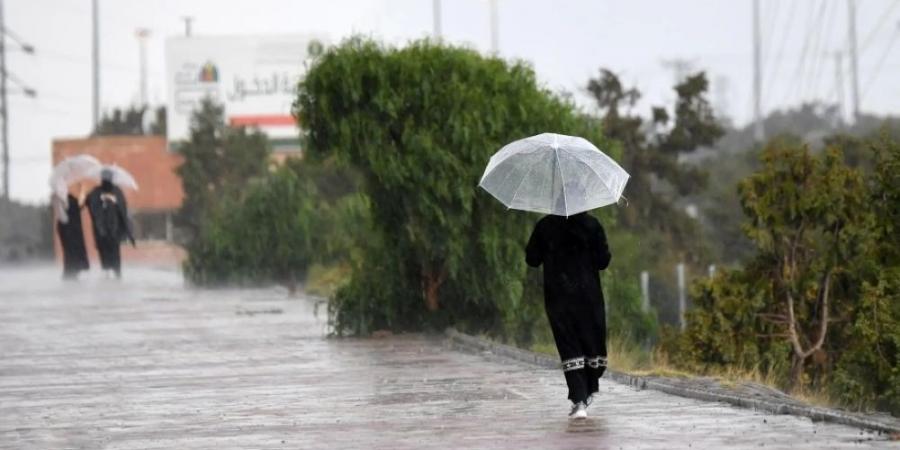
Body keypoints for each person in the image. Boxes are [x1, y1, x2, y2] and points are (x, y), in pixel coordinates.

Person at [525, 211, 611, 420]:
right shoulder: (592, 225)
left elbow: (532, 259)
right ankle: (587, 391)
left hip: (558, 296)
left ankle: (580, 399)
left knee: (569, 345)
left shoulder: (545, 226)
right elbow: (603, 261)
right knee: (590, 343)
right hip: (588, 296)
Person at [86, 169, 135, 278]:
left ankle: (117, 274)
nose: (107, 180)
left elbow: (123, 207)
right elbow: (90, 204)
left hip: (114, 230)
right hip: (101, 230)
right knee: (104, 255)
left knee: (115, 254)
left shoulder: (117, 191)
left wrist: (114, 201)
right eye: (105, 178)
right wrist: (101, 200)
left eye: (108, 178)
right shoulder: (96, 192)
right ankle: (107, 274)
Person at [53, 192, 90, 279]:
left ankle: (73, 271)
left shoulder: (72, 198)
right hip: (68, 228)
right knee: (70, 251)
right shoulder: (60, 197)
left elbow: (77, 208)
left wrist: (85, 201)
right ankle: (70, 273)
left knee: (74, 251)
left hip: (72, 228)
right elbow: (63, 215)